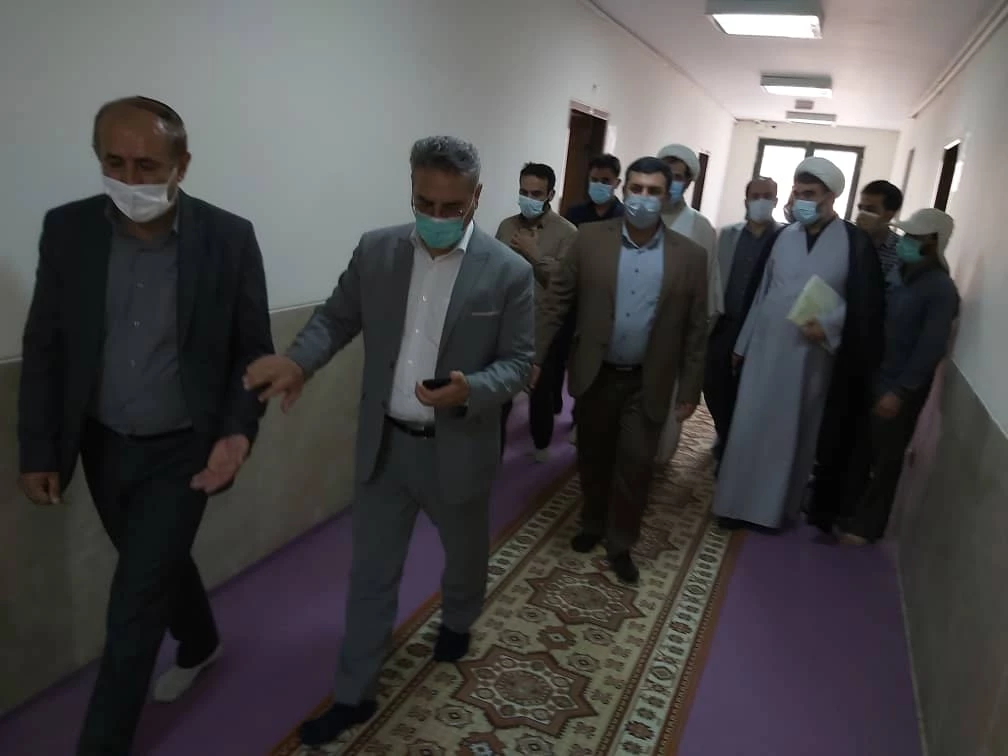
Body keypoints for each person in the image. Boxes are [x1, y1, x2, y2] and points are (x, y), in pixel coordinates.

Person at [242, 136, 534, 747]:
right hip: (386, 446)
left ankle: (458, 618)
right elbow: (335, 318)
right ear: (412, 190)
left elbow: (519, 363)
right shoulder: (377, 251)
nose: (436, 216)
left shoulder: (509, 272)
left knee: (465, 554)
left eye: (452, 207)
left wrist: (472, 388)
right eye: (425, 202)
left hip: (459, 445)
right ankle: (354, 692)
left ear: (477, 197)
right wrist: (298, 362)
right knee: (371, 575)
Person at [17, 96, 274, 756]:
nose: (130, 180)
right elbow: (46, 344)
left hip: (183, 448)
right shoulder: (69, 230)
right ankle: (202, 639)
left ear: (181, 165)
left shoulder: (228, 238)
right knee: (153, 563)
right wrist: (39, 449)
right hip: (102, 444)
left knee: (133, 604)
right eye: (114, 163)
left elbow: (253, 350)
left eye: (148, 166)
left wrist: (238, 431)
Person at [533, 157, 708, 583]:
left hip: (648, 379)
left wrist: (690, 389)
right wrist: (535, 356)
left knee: (636, 465)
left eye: (654, 191)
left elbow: (696, 328)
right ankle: (592, 522)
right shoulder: (589, 239)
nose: (643, 198)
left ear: (667, 197)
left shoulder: (690, 256)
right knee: (593, 457)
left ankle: (621, 542)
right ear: (624, 190)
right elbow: (558, 301)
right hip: (597, 371)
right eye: (637, 188)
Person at [712, 157, 885, 531]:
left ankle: (771, 511)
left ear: (831, 196)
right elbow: (761, 294)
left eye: (810, 193)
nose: (801, 200)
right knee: (748, 425)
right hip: (765, 350)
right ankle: (733, 504)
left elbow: (865, 306)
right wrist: (741, 345)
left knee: (790, 434)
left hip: (811, 357)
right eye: (798, 192)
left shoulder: (853, 242)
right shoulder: (782, 236)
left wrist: (831, 326)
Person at [838, 209, 959, 544]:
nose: (907, 242)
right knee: (862, 450)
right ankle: (848, 511)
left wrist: (900, 392)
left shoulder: (941, 289)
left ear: (933, 243)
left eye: (915, 238)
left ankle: (867, 527)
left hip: (900, 387)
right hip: (876, 373)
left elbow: (930, 347)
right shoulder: (900, 273)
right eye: (906, 236)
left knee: (886, 460)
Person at [806, 179, 905, 531]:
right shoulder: (846, 242)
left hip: (873, 357)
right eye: (861, 206)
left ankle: (844, 506)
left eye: (872, 209)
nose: (862, 214)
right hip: (833, 345)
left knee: (857, 435)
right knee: (826, 427)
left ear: (890, 214)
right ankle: (818, 498)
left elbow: (887, 307)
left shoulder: (900, 254)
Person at [496, 163, 576, 461]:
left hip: (544, 324)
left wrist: (534, 253)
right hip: (506, 321)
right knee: (499, 393)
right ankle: (493, 452)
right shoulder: (506, 227)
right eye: (523, 192)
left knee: (540, 391)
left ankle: (541, 443)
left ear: (550, 194)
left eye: (536, 194)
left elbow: (564, 283)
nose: (528, 199)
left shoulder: (567, 233)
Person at [705, 176, 783, 460]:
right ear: (746, 200)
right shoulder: (727, 235)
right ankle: (725, 432)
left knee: (749, 389)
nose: (761, 201)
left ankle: (735, 445)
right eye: (755, 196)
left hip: (762, 329)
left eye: (767, 196)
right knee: (713, 383)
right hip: (725, 324)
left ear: (775, 201)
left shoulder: (784, 238)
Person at [654, 144, 719, 464]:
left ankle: (657, 459)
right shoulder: (637, 215)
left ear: (689, 182)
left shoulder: (700, 227)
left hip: (674, 336)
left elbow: (707, 292)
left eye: (680, 177)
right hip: (628, 332)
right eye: (667, 174)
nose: (672, 182)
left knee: (665, 406)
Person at [561, 154, 626, 445]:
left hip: (606, 299)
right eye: (594, 179)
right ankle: (571, 407)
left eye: (605, 181)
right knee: (573, 358)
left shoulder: (623, 217)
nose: (599, 185)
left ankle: (583, 418)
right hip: (574, 295)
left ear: (617, 183)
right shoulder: (575, 214)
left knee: (596, 362)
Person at [854, 179, 904, 286]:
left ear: (889, 215)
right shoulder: (847, 240)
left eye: (870, 210)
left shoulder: (902, 252)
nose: (861, 215)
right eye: (860, 208)